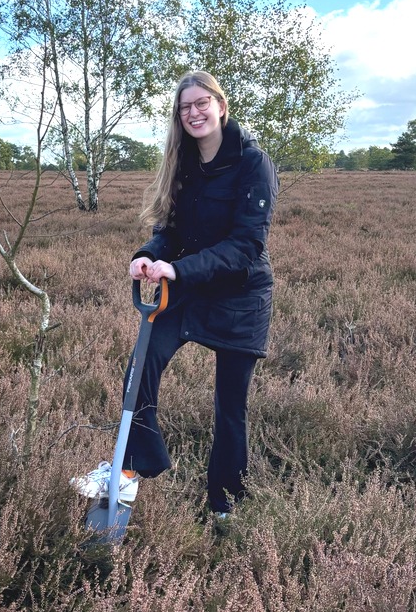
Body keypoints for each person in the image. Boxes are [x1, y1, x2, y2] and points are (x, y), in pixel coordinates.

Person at [72, 71, 278, 516]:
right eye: (185, 107)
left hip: (241, 298)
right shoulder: (181, 163)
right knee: (141, 364)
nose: (194, 112)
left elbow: (247, 246)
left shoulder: (253, 163)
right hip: (187, 289)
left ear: (221, 106)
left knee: (229, 407)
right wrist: (149, 254)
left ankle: (226, 505)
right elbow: (167, 229)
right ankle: (130, 467)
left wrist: (178, 268)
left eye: (202, 102)